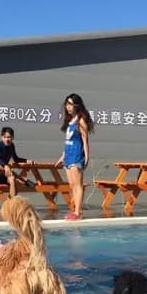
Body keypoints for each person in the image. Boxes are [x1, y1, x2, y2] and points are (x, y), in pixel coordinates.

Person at [55, 93, 95, 221]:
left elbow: (85, 140)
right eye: (67, 104)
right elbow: (68, 141)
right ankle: (75, 210)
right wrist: (62, 156)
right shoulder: (69, 121)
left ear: (77, 106)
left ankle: (78, 212)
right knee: (72, 185)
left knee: (78, 185)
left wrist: (86, 157)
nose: (68, 107)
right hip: (68, 155)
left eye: (71, 104)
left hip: (76, 155)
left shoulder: (80, 121)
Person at [0, 126, 32, 197]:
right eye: (5, 137)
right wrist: (6, 166)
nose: (7, 139)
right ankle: (21, 179)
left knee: (12, 179)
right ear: (2, 137)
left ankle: (12, 201)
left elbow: (16, 159)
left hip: (6, 174)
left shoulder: (11, 146)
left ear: (12, 137)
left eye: (9, 137)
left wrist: (26, 160)